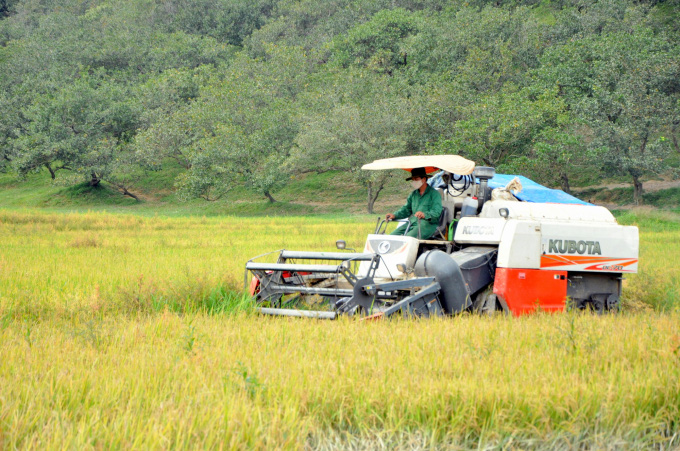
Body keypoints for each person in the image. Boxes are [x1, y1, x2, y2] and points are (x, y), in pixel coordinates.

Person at [385, 167, 442, 239]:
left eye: (416, 179)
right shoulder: (413, 194)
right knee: (391, 237)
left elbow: (436, 212)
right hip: (412, 222)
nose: (414, 181)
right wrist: (394, 215)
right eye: (413, 179)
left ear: (424, 179)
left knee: (407, 239)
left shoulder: (434, 194)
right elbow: (406, 209)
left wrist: (424, 214)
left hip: (427, 225)